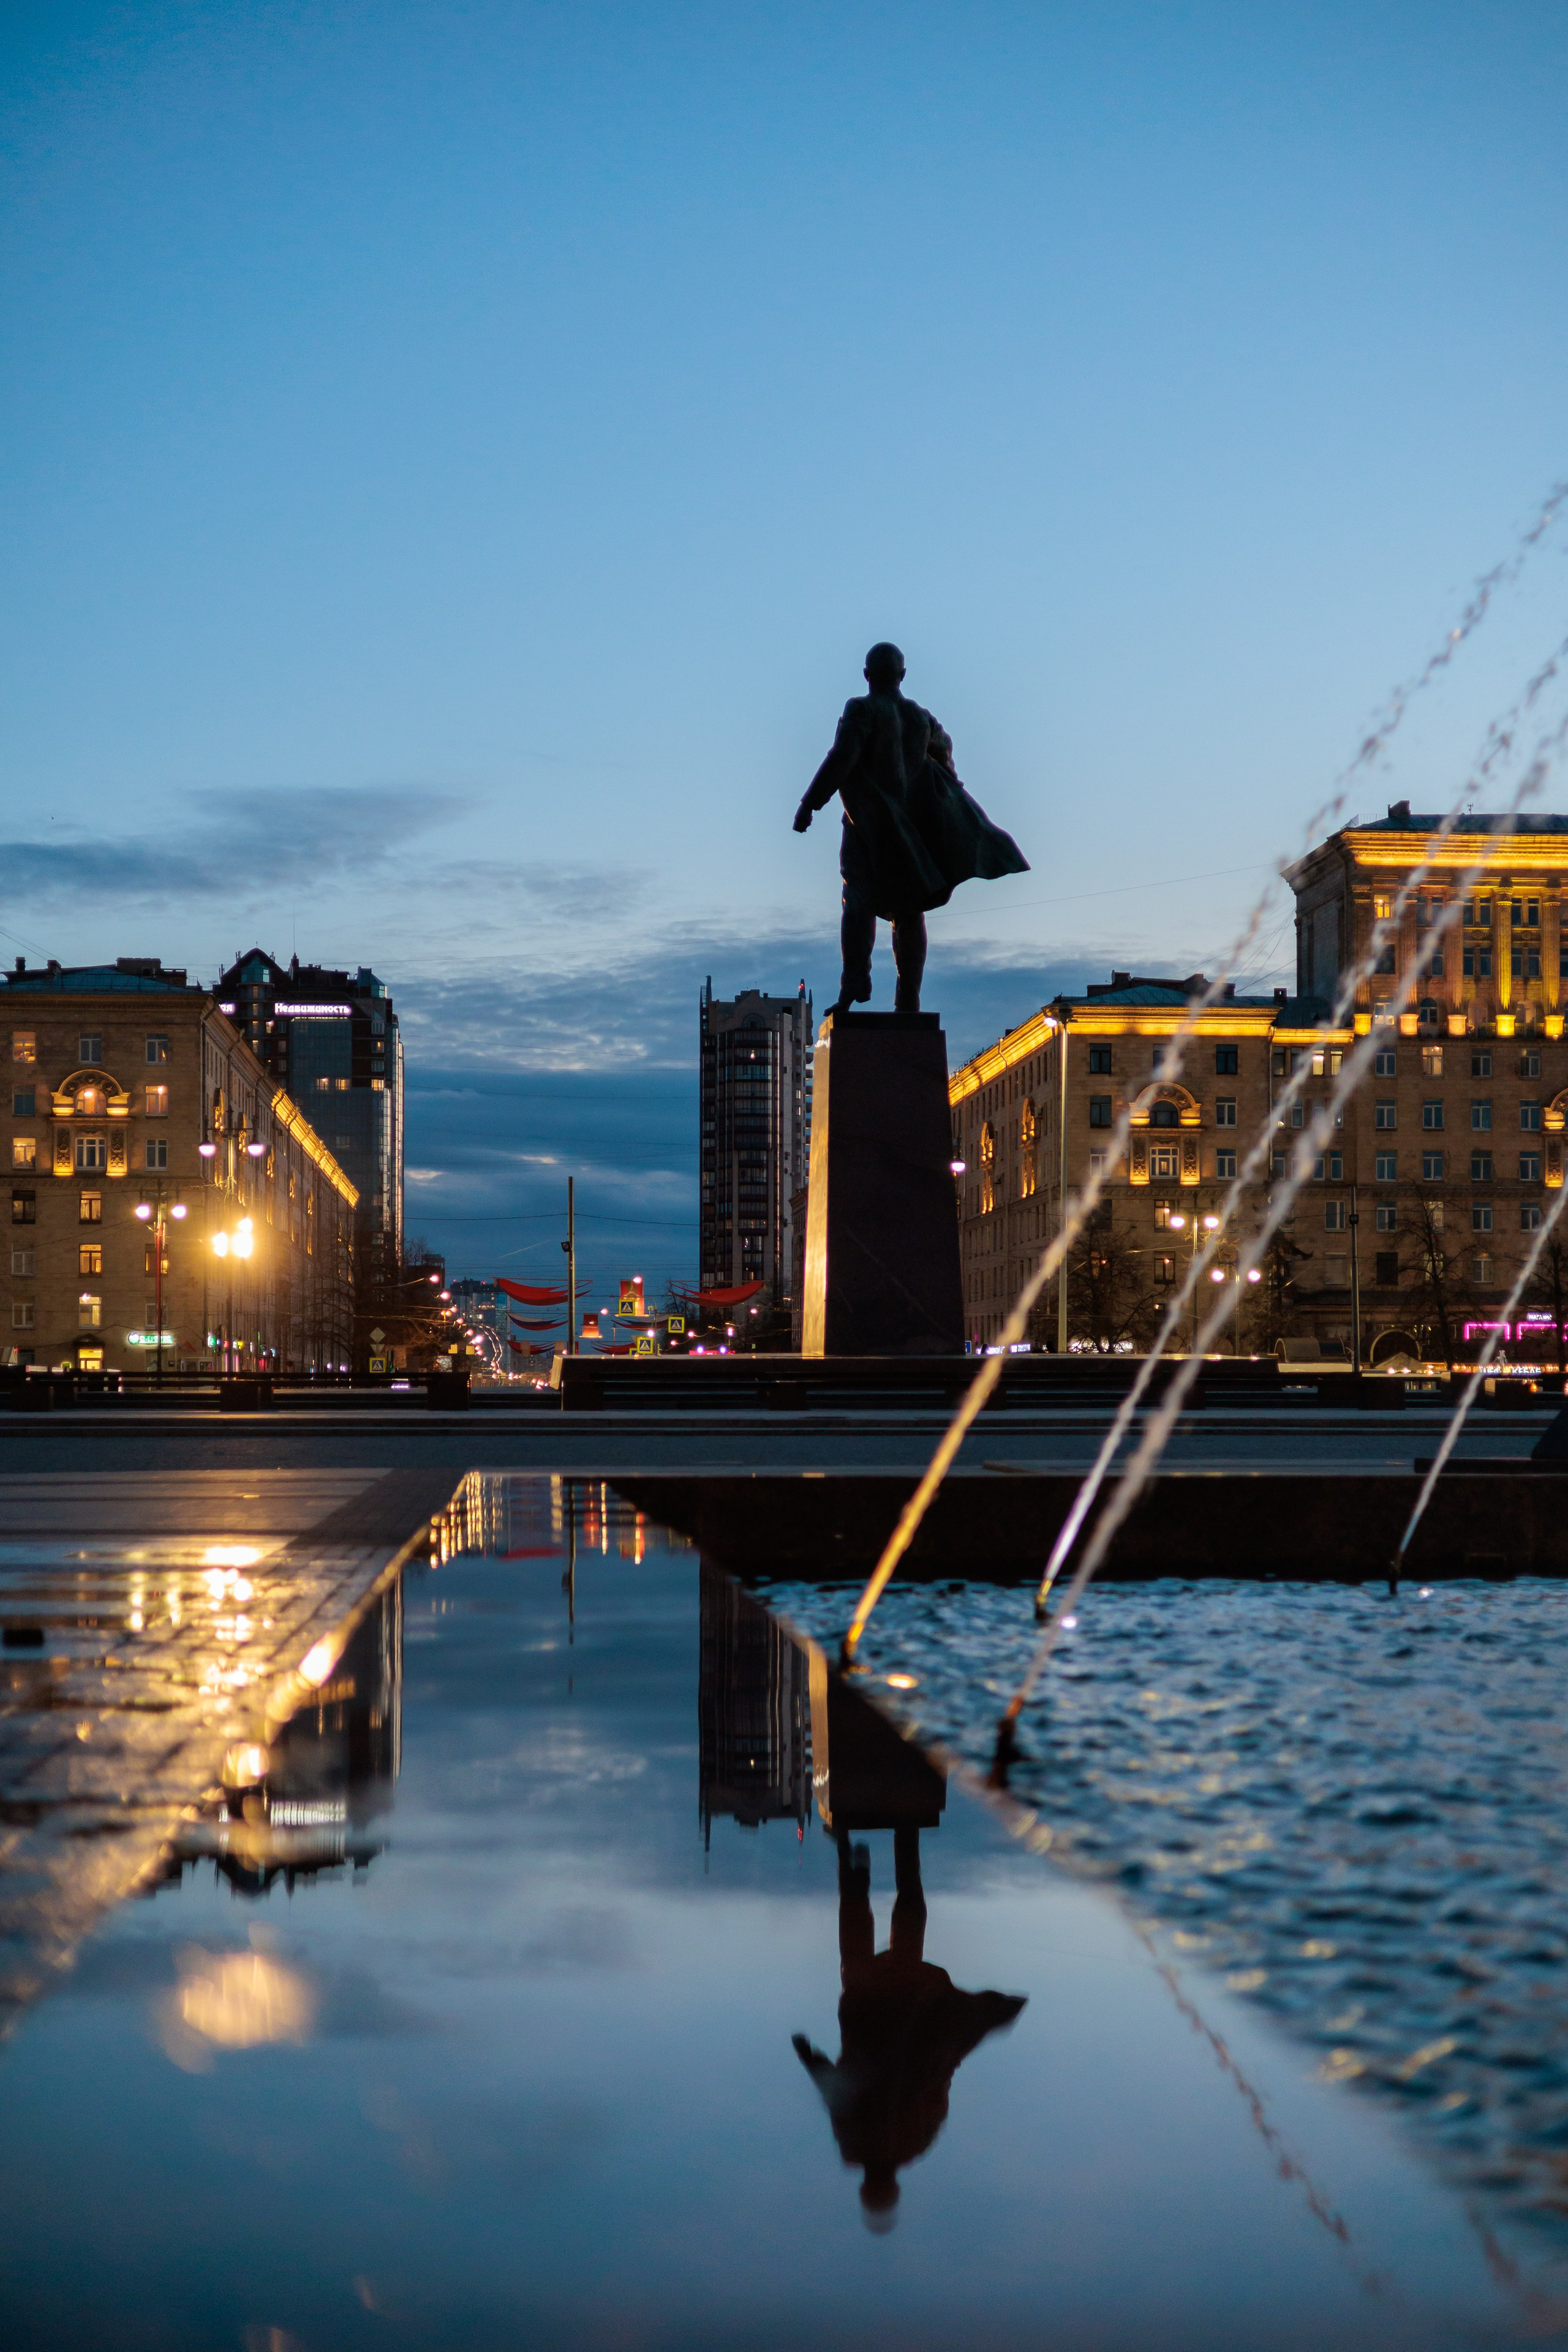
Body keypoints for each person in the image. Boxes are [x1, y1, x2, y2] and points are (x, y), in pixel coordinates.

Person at [792, 1826, 1026, 2227]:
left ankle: (904, 1840)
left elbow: (935, 2082)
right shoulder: (872, 2142)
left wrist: (951, 2035)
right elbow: (836, 2089)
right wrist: (808, 2054)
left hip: (904, 2014)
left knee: (904, 1937)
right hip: (870, 2014)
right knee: (859, 1955)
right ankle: (858, 1867)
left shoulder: (910, 2143)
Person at [794, 643, 1029, 1014]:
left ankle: (854, 984)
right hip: (911, 829)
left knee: (857, 899)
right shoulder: (919, 717)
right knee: (909, 910)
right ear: (902, 675)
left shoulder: (862, 708)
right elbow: (945, 748)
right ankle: (908, 999)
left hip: (868, 826)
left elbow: (843, 756)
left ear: (867, 674)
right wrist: (944, 786)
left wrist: (810, 804)